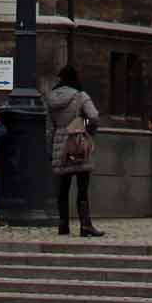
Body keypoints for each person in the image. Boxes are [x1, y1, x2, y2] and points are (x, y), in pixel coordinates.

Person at [46, 62, 103, 237]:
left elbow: (49, 128)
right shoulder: (80, 96)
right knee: (82, 187)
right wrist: (87, 130)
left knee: (62, 188)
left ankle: (63, 225)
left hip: (59, 145)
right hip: (77, 143)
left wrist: (51, 148)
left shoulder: (51, 97)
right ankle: (85, 225)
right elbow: (94, 117)